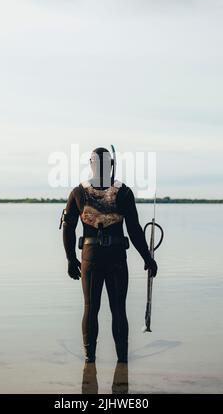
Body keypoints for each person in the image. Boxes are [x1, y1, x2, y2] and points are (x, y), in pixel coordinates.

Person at [61, 147, 157, 363]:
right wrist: (147, 258)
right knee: (118, 310)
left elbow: (68, 228)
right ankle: (122, 360)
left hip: (90, 257)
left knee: (90, 308)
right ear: (111, 165)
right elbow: (133, 229)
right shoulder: (123, 192)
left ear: (91, 164)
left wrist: (70, 258)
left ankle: (89, 360)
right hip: (116, 258)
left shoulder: (78, 192)